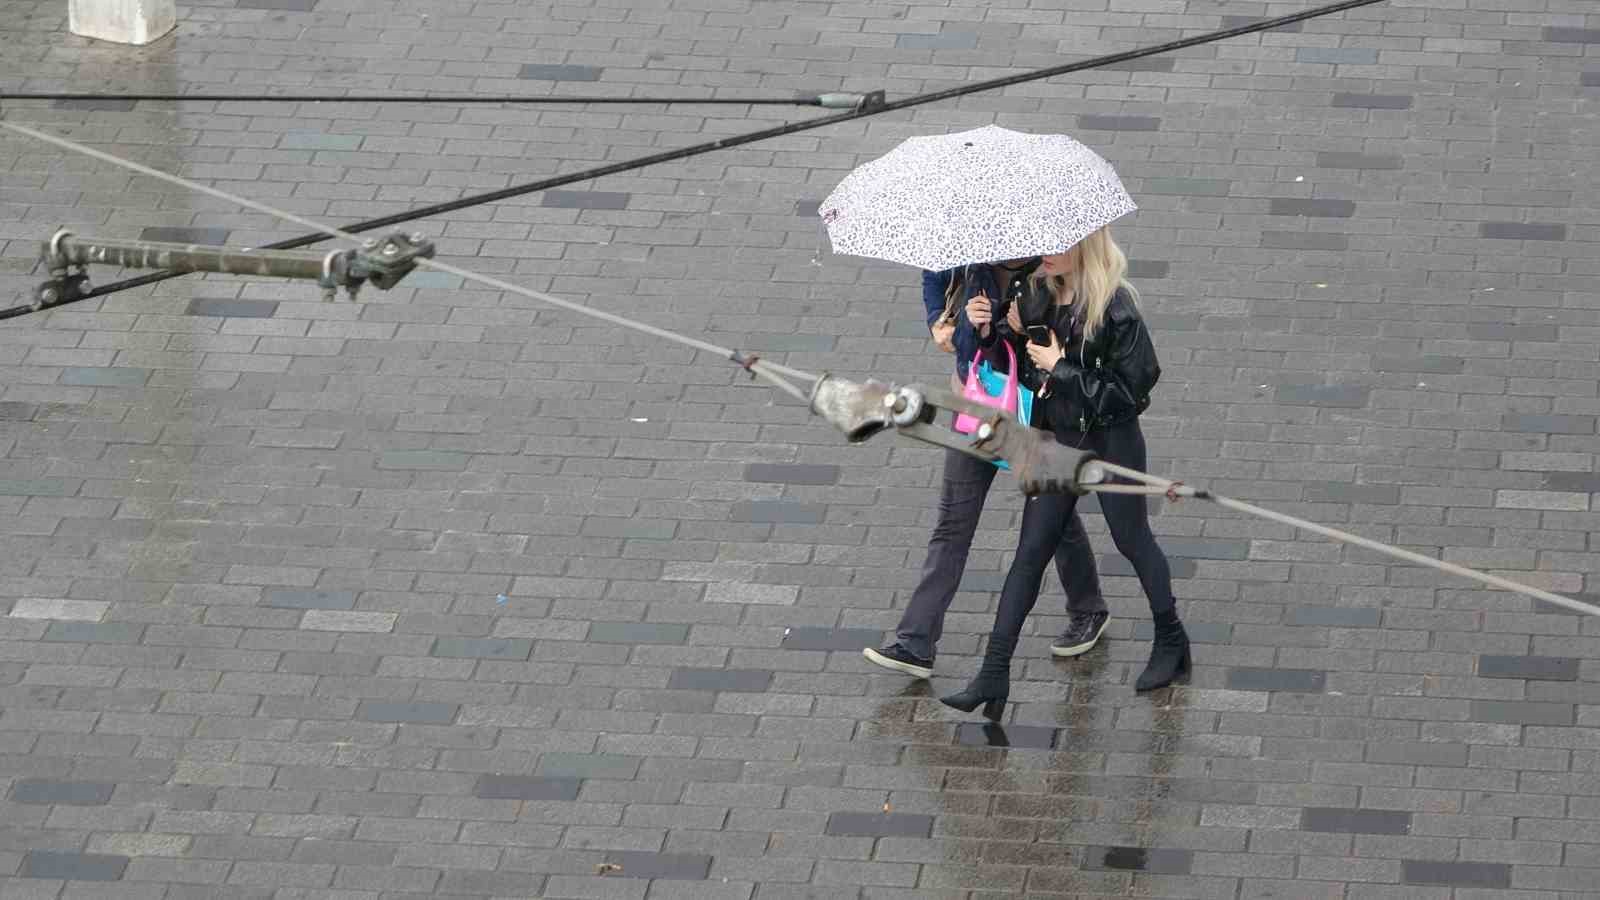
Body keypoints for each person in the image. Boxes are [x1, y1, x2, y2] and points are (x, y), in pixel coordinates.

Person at [940, 226, 1188, 721]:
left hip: (1111, 439)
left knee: (1131, 539)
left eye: (1057, 244)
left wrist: (1061, 367)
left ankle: (1171, 639)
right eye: (1044, 242)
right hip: (1056, 439)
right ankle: (993, 671)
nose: (1045, 253)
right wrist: (992, 333)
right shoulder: (1034, 291)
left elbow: (1131, 394)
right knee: (1031, 550)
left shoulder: (1116, 308)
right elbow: (1016, 368)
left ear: (1085, 246)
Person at [863, 258, 1109, 680]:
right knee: (953, 522)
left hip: (1031, 412)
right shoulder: (969, 250)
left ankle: (1088, 608)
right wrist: (940, 321)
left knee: (1051, 517)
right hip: (977, 403)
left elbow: (1066, 350)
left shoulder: (1053, 269)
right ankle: (915, 643)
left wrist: (1019, 327)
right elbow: (933, 273)